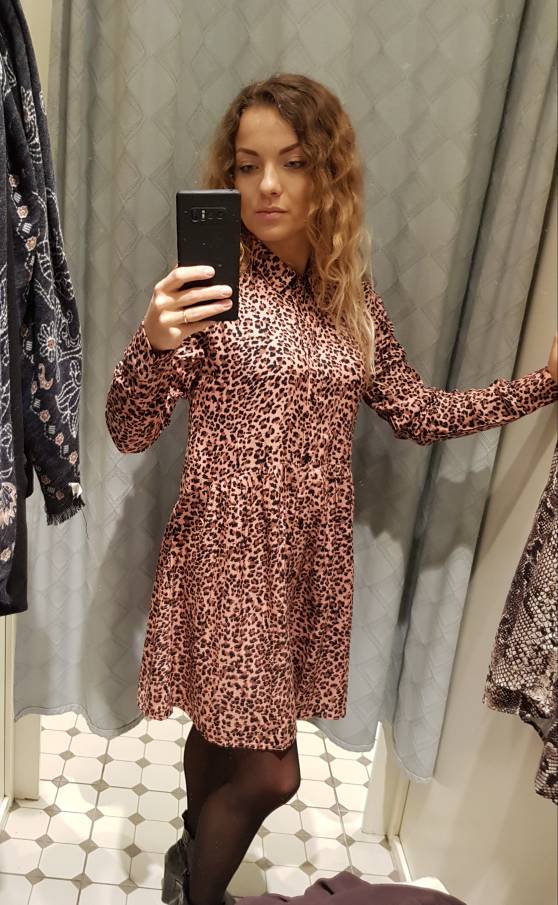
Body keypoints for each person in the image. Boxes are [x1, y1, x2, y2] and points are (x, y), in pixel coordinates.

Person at [105, 73, 558, 905]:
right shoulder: (210, 287)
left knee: (224, 730)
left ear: (328, 173)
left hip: (303, 561)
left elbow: (416, 411)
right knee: (272, 772)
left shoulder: (350, 296)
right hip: (226, 552)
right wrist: (153, 342)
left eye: (293, 161)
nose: (267, 186)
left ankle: (189, 853)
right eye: (247, 166)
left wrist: (541, 385)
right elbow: (128, 429)